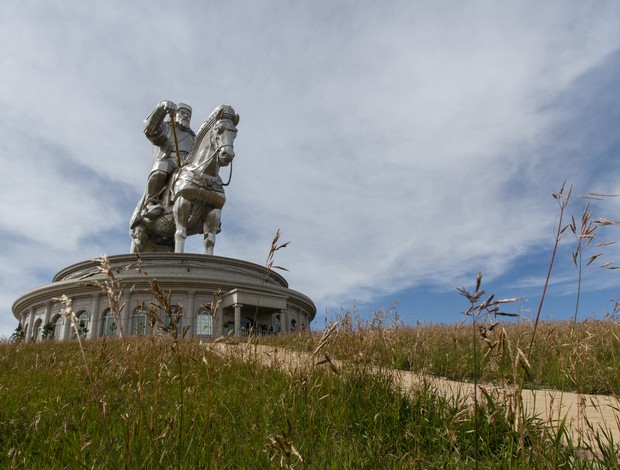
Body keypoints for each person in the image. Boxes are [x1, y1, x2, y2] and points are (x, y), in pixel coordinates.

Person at [141, 100, 196, 218]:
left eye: (188, 115)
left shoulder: (193, 137)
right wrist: (161, 108)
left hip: (189, 165)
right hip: (171, 159)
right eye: (182, 113)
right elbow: (150, 129)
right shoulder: (167, 128)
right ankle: (152, 201)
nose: (186, 116)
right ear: (175, 114)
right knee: (161, 166)